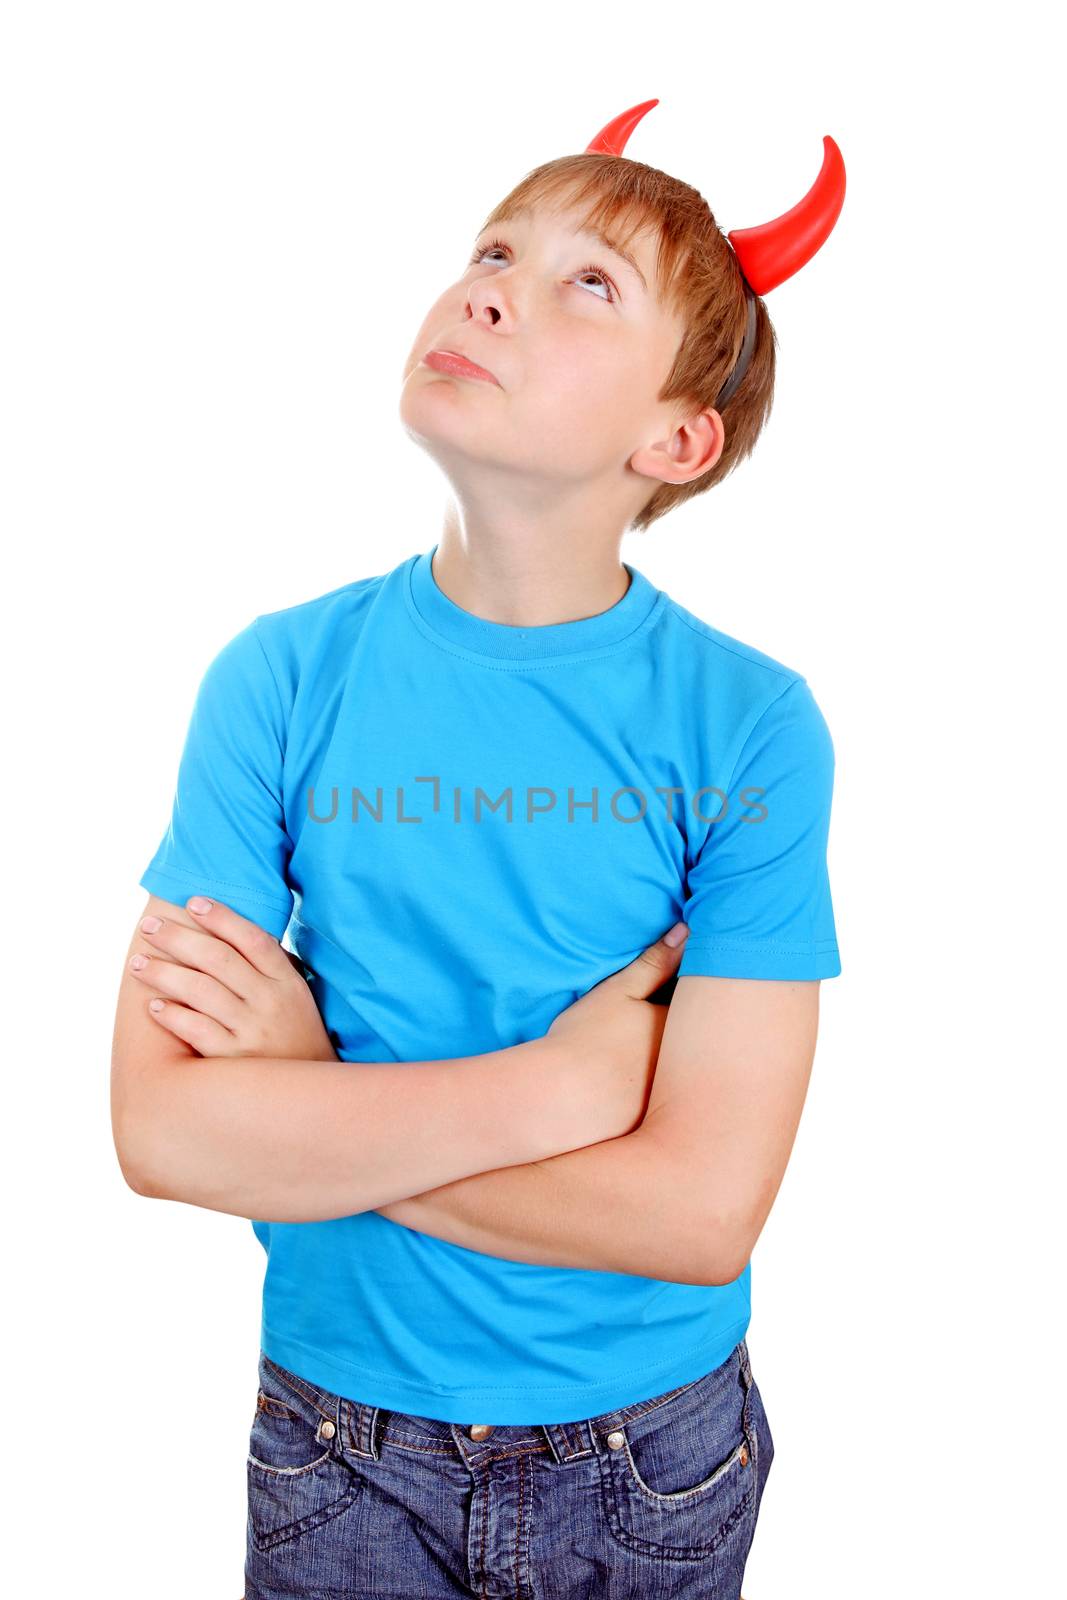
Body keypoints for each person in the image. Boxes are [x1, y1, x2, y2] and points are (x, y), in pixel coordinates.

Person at [111, 100, 845, 1599]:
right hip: (339, 1444)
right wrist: (557, 1094)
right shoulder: (281, 678)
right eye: (495, 249)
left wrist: (313, 1103)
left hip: (646, 1458)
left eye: (591, 284)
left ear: (677, 438)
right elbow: (163, 1135)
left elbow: (699, 1216)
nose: (492, 287)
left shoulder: (750, 728)